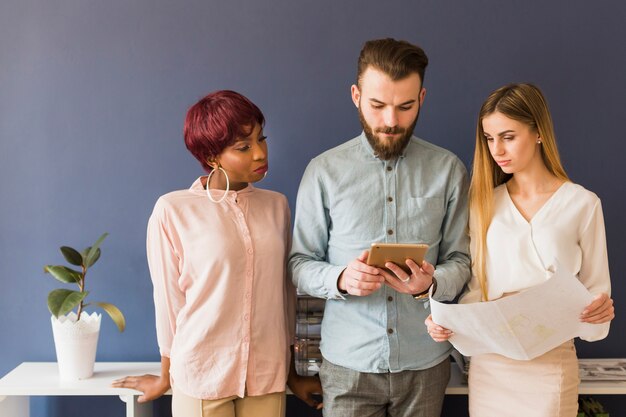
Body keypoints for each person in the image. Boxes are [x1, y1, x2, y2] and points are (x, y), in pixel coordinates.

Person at [288, 38, 471, 417]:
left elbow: (462, 260)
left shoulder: (449, 170)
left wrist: (432, 282)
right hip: (347, 365)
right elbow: (299, 264)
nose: (391, 120)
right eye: (377, 105)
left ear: (422, 97)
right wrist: (340, 279)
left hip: (426, 364)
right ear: (356, 95)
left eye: (405, 107)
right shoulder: (323, 172)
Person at [111, 90, 321, 416]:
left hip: (267, 375)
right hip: (201, 374)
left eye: (261, 139)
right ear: (212, 156)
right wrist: (166, 376)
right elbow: (168, 301)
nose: (260, 153)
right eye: (244, 147)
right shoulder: (173, 210)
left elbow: (284, 294)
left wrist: (293, 374)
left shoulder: (276, 206)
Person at [425, 83, 615, 416]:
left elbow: (597, 295)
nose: (497, 149)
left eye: (508, 137)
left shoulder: (582, 204)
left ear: (539, 132)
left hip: (551, 366)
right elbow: (474, 293)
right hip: (490, 368)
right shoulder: (482, 204)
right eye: (489, 138)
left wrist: (598, 311)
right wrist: (448, 325)